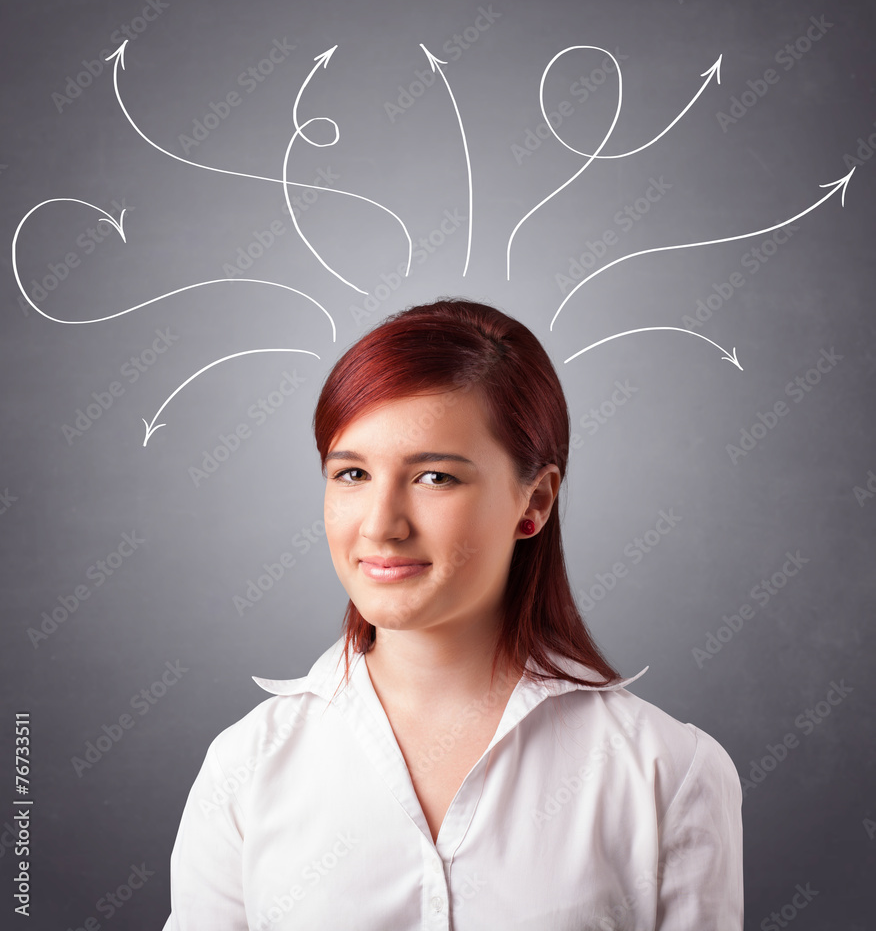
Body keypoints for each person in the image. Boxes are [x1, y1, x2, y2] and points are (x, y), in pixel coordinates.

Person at [161, 297, 743, 930]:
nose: (381, 526)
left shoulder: (667, 772)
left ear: (536, 501)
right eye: (351, 473)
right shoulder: (247, 766)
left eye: (435, 477)